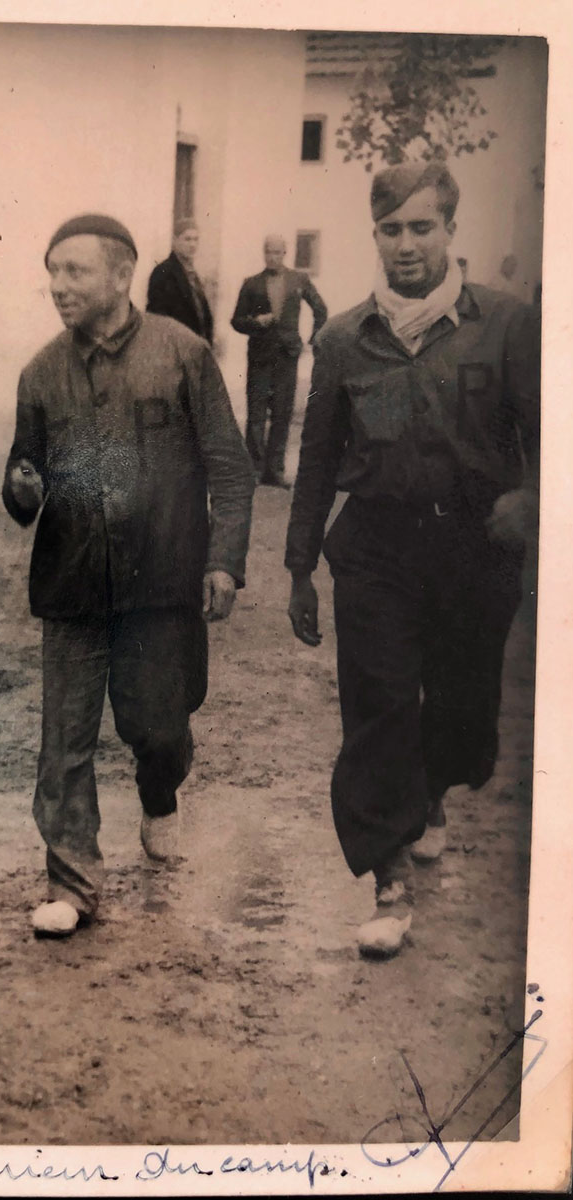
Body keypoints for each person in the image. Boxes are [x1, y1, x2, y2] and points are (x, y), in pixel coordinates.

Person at [285, 161, 539, 959]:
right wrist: (298, 569)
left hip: (477, 548)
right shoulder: (341, 340)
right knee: (379, 707)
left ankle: (433, 790)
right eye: (390, 230)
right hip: (378, 551)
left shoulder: (506, 324)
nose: (405, 245)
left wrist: (530, 505)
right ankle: (388, 878)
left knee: (463, 720)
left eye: (421, 227)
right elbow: (318, 459)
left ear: (450, 232)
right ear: (375, 236)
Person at [3, 213, 254, 938]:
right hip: (75, 586)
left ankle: (161, 793)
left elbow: (230, 469)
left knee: (159, 727)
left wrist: (222, 560)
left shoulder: (182, 354)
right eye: (52, 271)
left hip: (162, 582)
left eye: (74, 271)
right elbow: (25, 481)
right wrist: (21, 485)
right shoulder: (40, 372)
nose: (58, 286)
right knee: (66, 742)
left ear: (121, 275)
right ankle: (72, 883)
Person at [231, 234, 328, 488]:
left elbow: (320, 308)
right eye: (268, 252)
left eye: (278, 252)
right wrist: (255, 322)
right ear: (263, 253)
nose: (273, 257)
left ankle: (275, 471)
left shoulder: (299, 280)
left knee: (283, 415)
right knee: (256, 415)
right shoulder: (251, 284)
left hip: (287, 356)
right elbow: (236, 321)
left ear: (285, 253)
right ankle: (253, 471)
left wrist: (312, 340)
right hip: (260, 357)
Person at [145, 217, 214, 342]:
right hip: (176, 347)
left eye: (196, 239)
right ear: (174, 241)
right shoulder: (163, 272)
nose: (192, 244)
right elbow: (157, 317)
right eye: (187, 239)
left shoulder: (193, 274)